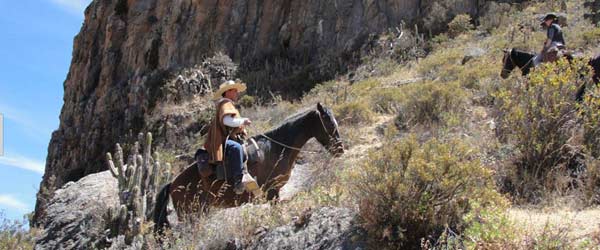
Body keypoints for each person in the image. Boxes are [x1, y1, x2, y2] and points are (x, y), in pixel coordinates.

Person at [204, 80, 255, 194]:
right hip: (221, 140)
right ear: (228, 92)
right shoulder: (225, 103)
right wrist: (243, 120)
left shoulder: (227, 103)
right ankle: (238, 181)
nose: (237, 93)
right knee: (236, 148)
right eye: (235, 91)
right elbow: (227, 121)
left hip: (229, 137)